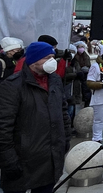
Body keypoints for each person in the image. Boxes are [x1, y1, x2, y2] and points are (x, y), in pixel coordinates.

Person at [0, 42, 71, 193]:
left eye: (53, 57)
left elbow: (62, 112)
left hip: (49, 159)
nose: (52, 61)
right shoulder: (12, 86)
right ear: (33, 61)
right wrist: (9, 159)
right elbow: (3, 127)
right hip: (23, 159)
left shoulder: (55, 81)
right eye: (47, 58)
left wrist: (65, 140)